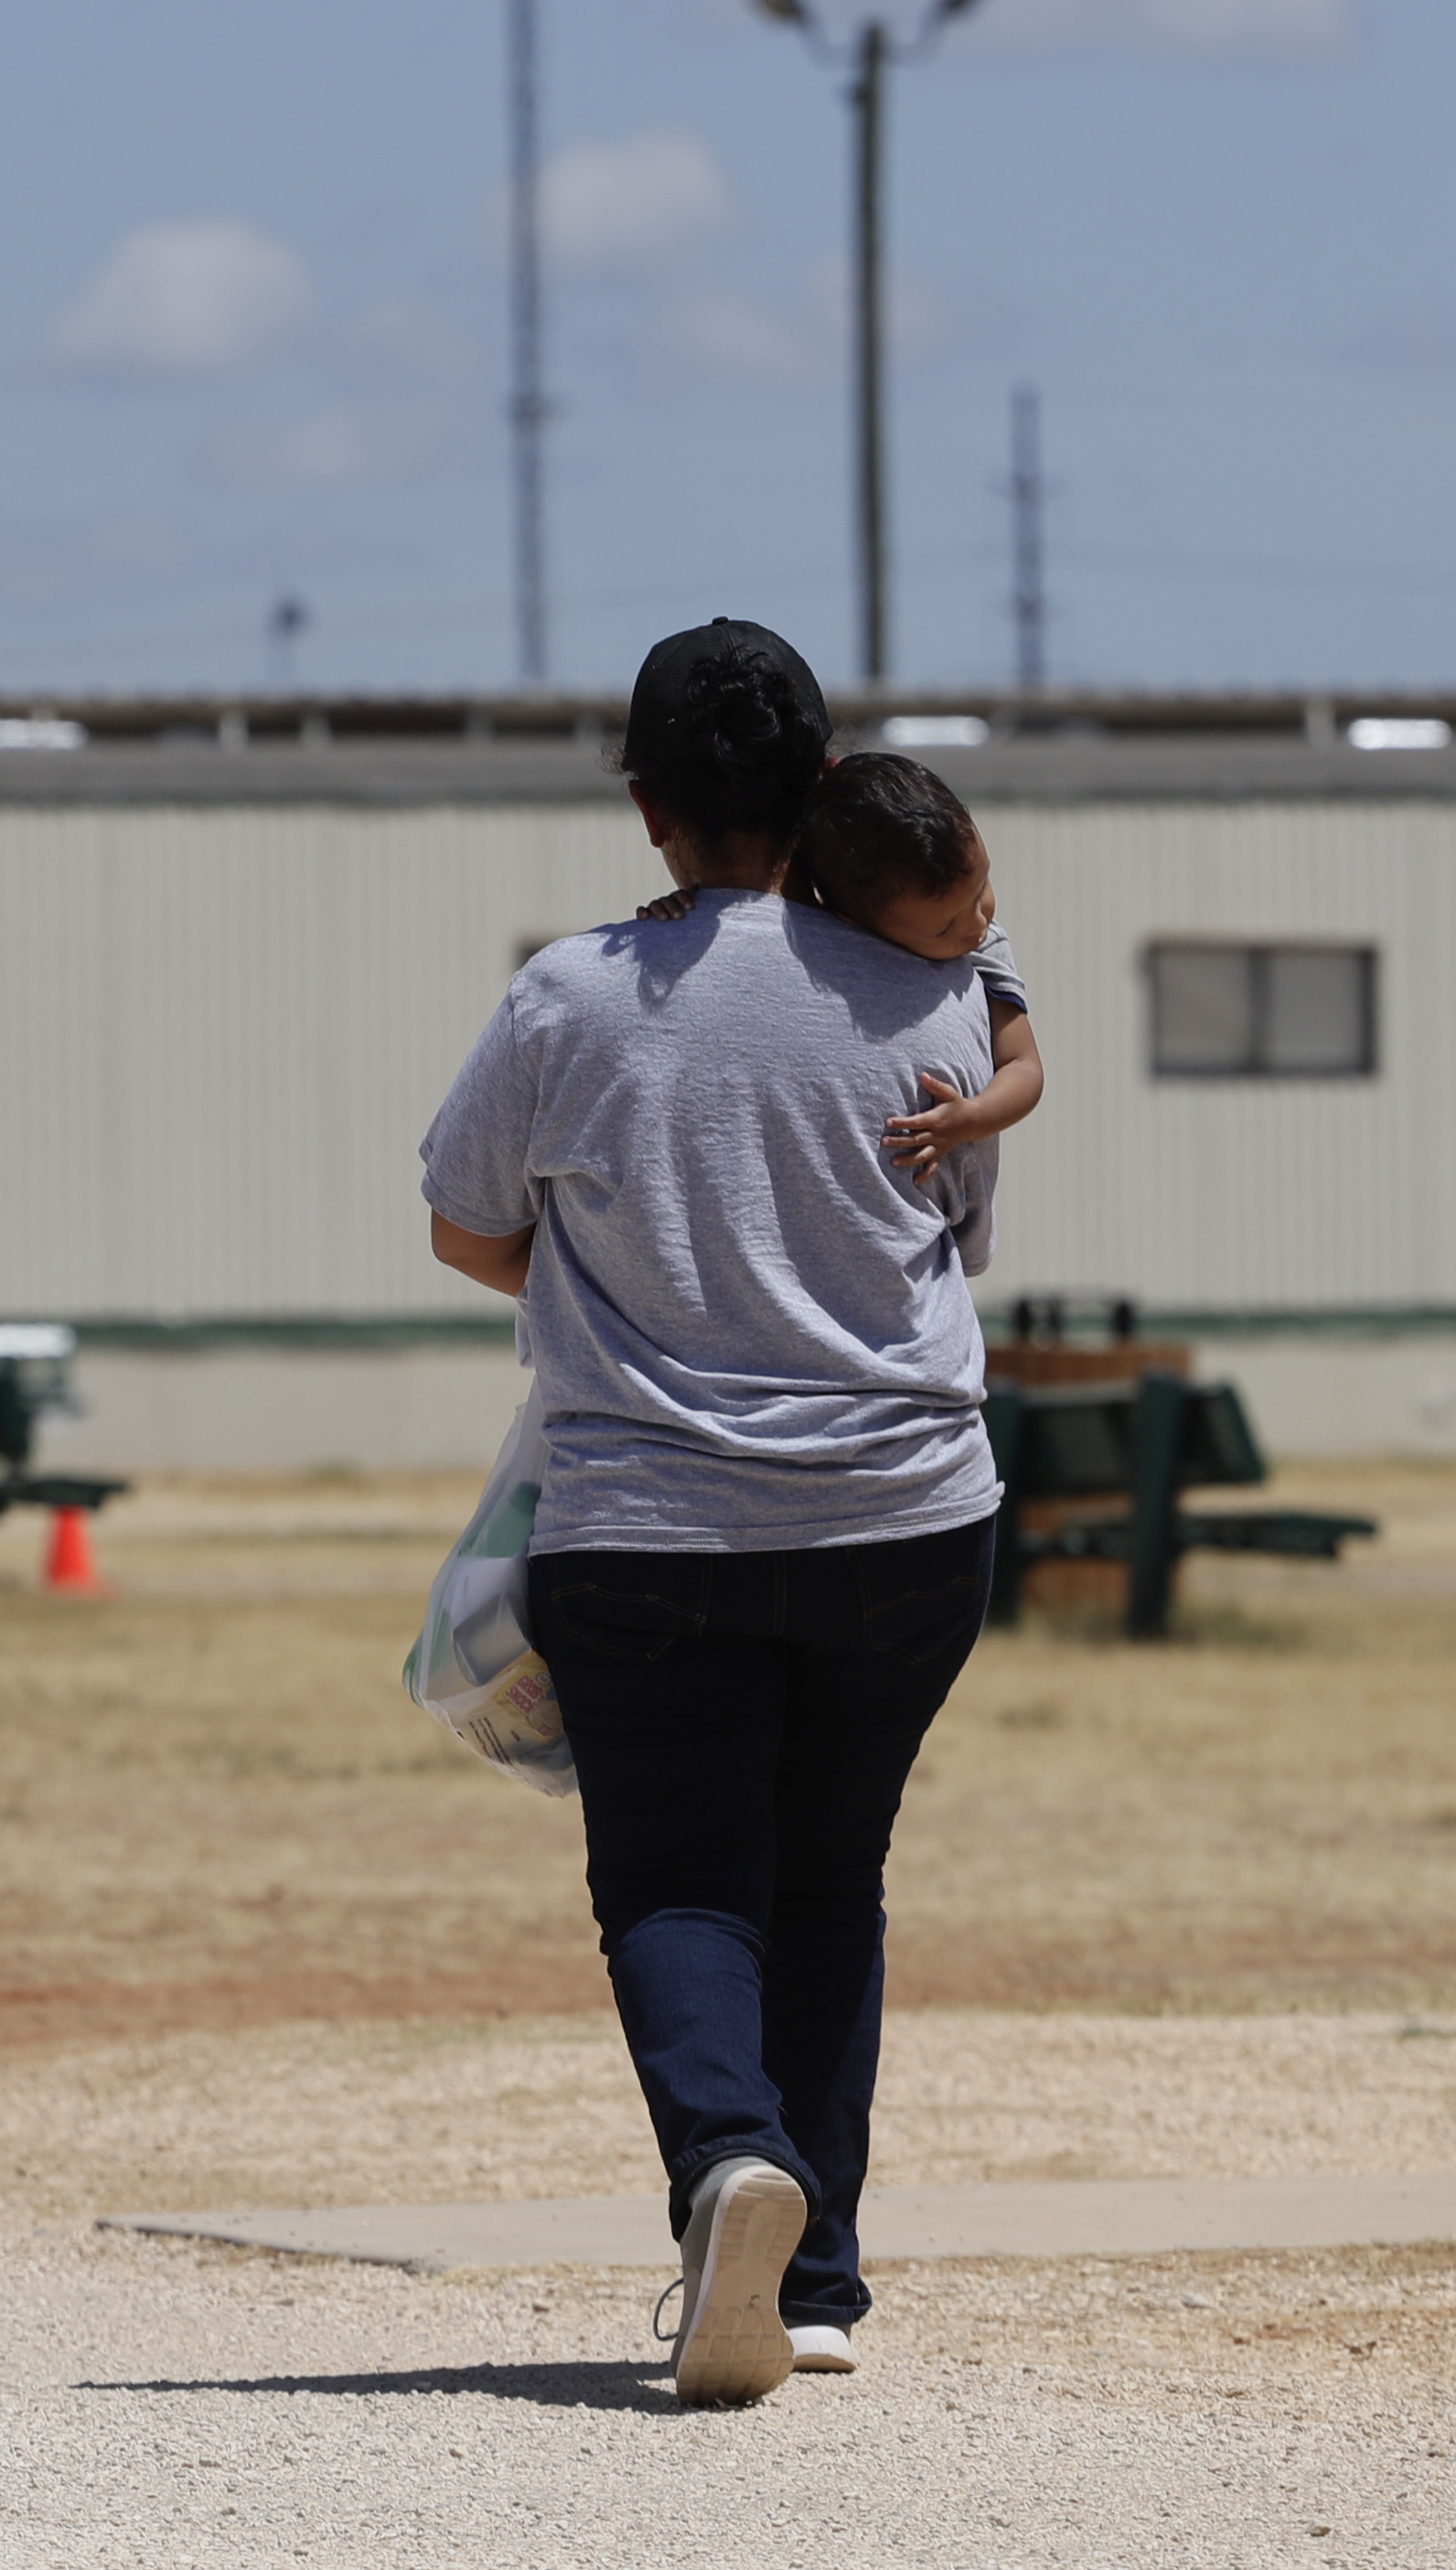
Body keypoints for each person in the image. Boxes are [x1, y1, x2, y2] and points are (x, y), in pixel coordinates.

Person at [418, 618, 1005, 2407]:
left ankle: (727, 2163)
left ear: (644, 802)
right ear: (818, 783)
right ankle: (812, 2281)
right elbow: (950, 1239)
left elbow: (460, 1222)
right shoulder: (933, 992)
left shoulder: (568, 994)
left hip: (648, 1516)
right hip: (909, 1513)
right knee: (830, 1869)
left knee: (677, 1874)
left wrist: (587, 1271)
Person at [638, 748, 1043, 1187]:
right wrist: (683, 911)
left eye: (982, 887)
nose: (979, 924)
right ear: (851, 921)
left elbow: (1024, 1067)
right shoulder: (822, 937)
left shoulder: (984, 953)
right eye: (946, 928)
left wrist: (970, 1118)